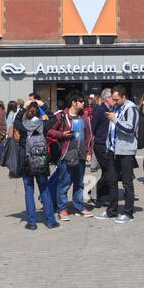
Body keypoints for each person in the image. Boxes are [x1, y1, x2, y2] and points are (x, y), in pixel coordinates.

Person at [97, 85, 140, 223]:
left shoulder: (131, 109)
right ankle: (112, 211)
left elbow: (131, 129)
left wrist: (115, 119)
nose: (114, 102)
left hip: (126, 151)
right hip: (113, 150)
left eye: (116, 100)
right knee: (112, 181)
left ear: (123, 97)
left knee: (127, 182)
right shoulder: (116, 108)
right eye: (113, 100)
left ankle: (128, 213)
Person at [15, 102, 58, 230]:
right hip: (41, 161)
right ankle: (51, 221)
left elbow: (15, 121)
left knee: (29, 192)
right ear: (39, 113)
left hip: (27, 162)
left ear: (27, 113)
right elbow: (53, 118)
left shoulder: (22, 125)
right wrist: (43, 105)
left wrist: (22, 108)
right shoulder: (43, 124)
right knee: (44, 190)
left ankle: (32, 223)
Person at [50, 94, 92, 218]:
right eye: (81, 101)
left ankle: (79, 206)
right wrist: (62, 134)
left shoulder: (84, 117)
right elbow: (49, 130)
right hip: (66, 155)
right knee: (64, 183)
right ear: (73, 102)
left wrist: (89, 152)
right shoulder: (61, 116)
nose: (83, 103)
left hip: (81, 155)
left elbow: (89, 136)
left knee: (79, 183)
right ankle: (62, 209)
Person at [90, 87, 115, 208]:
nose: (115, 100)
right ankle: (94, 193)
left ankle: (103, 197)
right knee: (111, 171)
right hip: (100, 146)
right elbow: (92, 127)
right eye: (113, 98)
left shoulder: (111, 109)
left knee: (106, 171)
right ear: (107, 98)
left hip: (108, 146)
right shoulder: (100, 110)